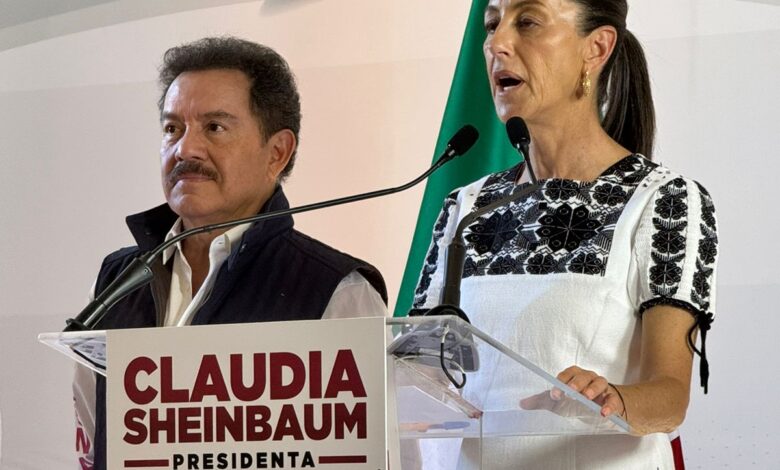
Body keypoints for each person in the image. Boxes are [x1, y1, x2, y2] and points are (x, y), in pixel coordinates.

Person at [413, 1, 718, 469]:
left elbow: (670, 398)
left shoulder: (663, 200)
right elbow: (416, 374)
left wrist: (611, 397)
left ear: (596, 48)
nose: (497, 43)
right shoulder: (465, 207)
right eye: (492, 24)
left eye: (527, 22)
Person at [72, 36, 388, 470]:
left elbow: (374, 454)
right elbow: (93, 443)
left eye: (214, 128)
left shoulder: (336, 290)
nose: (185, 149)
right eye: (172, 129)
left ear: (277, 153)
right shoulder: (116, 281)